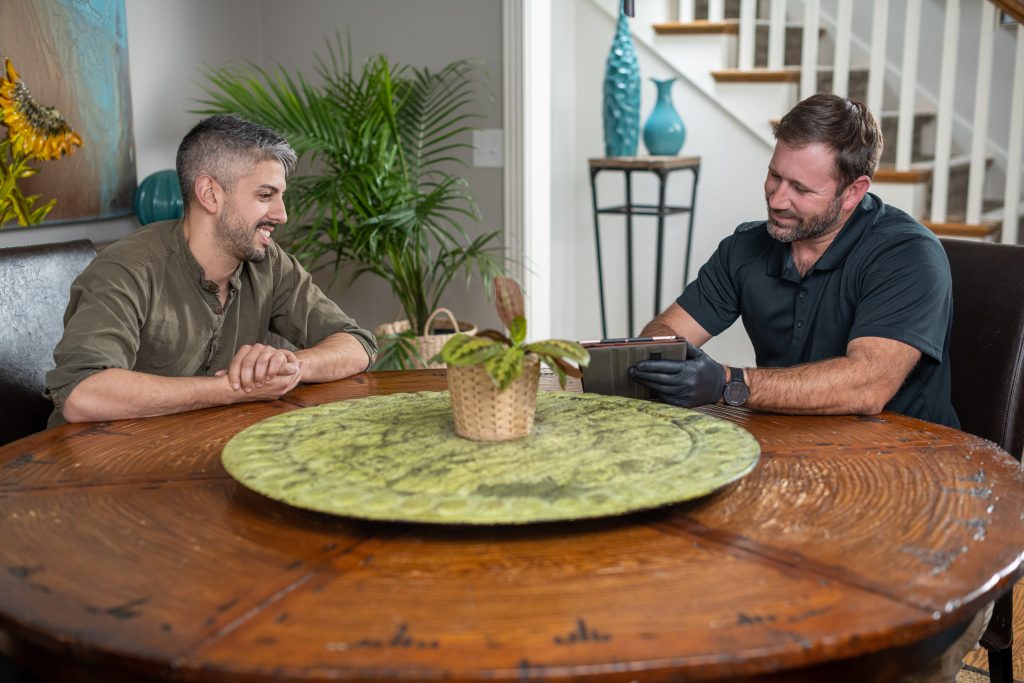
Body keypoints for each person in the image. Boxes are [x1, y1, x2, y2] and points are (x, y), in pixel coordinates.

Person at [630, 94, 983, 683]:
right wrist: (661, 356)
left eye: (801, 188)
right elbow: (661, 335)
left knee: (885, 655)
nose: (777, 197)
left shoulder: (907, 254)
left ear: (853, 191)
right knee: (689, 587)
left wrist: (729, 383)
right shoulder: (747, 247)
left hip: (915, 488)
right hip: (796, 474)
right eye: (774, 175)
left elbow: (868, 383)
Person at [45, 114, 376, 426]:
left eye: (281, 196)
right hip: (96, 459)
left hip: (200, 446)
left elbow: (357, 343)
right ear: (210, 194)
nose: (282, 214)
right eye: (265, 195)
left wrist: (287, 365)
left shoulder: (270, 264)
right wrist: (232, 389)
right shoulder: (128, 268)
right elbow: (81, 394)